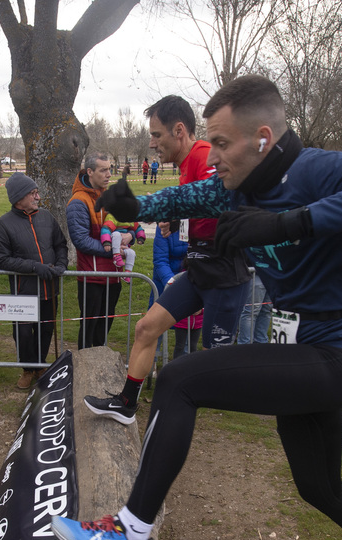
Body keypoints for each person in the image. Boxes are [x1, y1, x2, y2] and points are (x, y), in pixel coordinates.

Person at [51, 75, 342, 540]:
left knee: (181, 379)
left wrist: (294, 222)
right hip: (303, 350)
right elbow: (189, 195)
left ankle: (130, 536)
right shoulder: (239, 185)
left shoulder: (316, 169)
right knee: (319, 488)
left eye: (219, 142)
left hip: (336, 353)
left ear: (262, 138)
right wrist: (133, 208)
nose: (210, 155)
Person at [83, 95, 253, 424]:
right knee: (147, 327)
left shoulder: (204, 156)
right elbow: (202, 210)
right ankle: (127, 404)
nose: (151, 144)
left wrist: (161, 209)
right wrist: (178, 222)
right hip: (199, 266)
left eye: (156, 135)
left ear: (179, 131)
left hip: (226, 271)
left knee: (214, 360)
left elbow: (211, 198)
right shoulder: (187, 163)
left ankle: (184, 411)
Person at [0, 172, 67, 389]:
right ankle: (27, 369)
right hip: (23, 292)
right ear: (18, 198)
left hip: (49, 288)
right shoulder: (4, 225)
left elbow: (60, 244)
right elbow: (2, 260)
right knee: (23, 333)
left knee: (45, 330)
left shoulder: (46, 217)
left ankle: (39, 365)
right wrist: (34, 267)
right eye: (32, 193)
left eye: (36, 192)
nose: (37, 197)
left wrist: (61, 265)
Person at [66, 154, 128, 348]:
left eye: (110, 169)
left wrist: (130, 237)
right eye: (103, 170)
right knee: (89, 329)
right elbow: (81, 241)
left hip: (113, 275)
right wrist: (114, 251)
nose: (109, 174)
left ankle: (100, 369)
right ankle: (84, 370)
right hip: (91, 277)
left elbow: (124, 225)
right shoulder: (78, 201)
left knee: (103, 328)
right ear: (90, 172)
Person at [152, 221, 202, 358]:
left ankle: (186, 364)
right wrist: (173, 283)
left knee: (189, 329)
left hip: (191, 279)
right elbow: (160, 259)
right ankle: (152, 363)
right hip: (165, 281)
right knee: (155, 327)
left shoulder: (197, 222)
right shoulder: (164, 225)